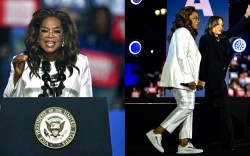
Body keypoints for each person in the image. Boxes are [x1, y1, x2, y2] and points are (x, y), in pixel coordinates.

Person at [146, 6, 203, 154]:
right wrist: (189, 79)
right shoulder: (183, 32)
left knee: (188, 108)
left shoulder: (185, 34)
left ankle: (184, 144)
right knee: (187, 106)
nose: (198, 20)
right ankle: (157, 132)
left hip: (185, 78)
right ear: (186, 18)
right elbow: (181, 57)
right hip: (182, 78)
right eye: (195, 17)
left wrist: (195, 80)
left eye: (198, 18)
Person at [3, 8, 92, 97]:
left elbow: (87, 104)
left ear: (63, 36)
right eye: (45, 30)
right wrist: (17, 78)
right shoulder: (22, 61)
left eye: (56, 31)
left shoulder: (80, 62)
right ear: (37, 35)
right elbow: (9, 105)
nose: (50, 35)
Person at [196, 5, 250, 151]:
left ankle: (229, 144)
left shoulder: (223, 38)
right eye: (218, 24)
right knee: (209, 113)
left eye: (222, 25)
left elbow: (235, 30)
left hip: (219, 81)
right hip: (211, 82)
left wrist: (246, 16)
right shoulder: (205, 39)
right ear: (211, 25)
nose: (221, 27)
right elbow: (203, 60)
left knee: (223, 112)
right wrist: (202, 80)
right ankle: (200, 142)